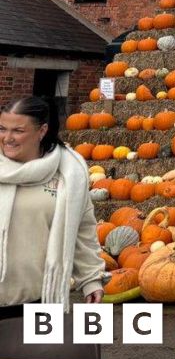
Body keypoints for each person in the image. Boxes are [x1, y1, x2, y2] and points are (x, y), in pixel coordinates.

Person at [0, 97, 105, 323]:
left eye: (18, 130)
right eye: (2, 129)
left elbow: (82, 231)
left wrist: (91, 279)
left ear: (42, 130)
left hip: (39, 300)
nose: (7, 138)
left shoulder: (69, 173)